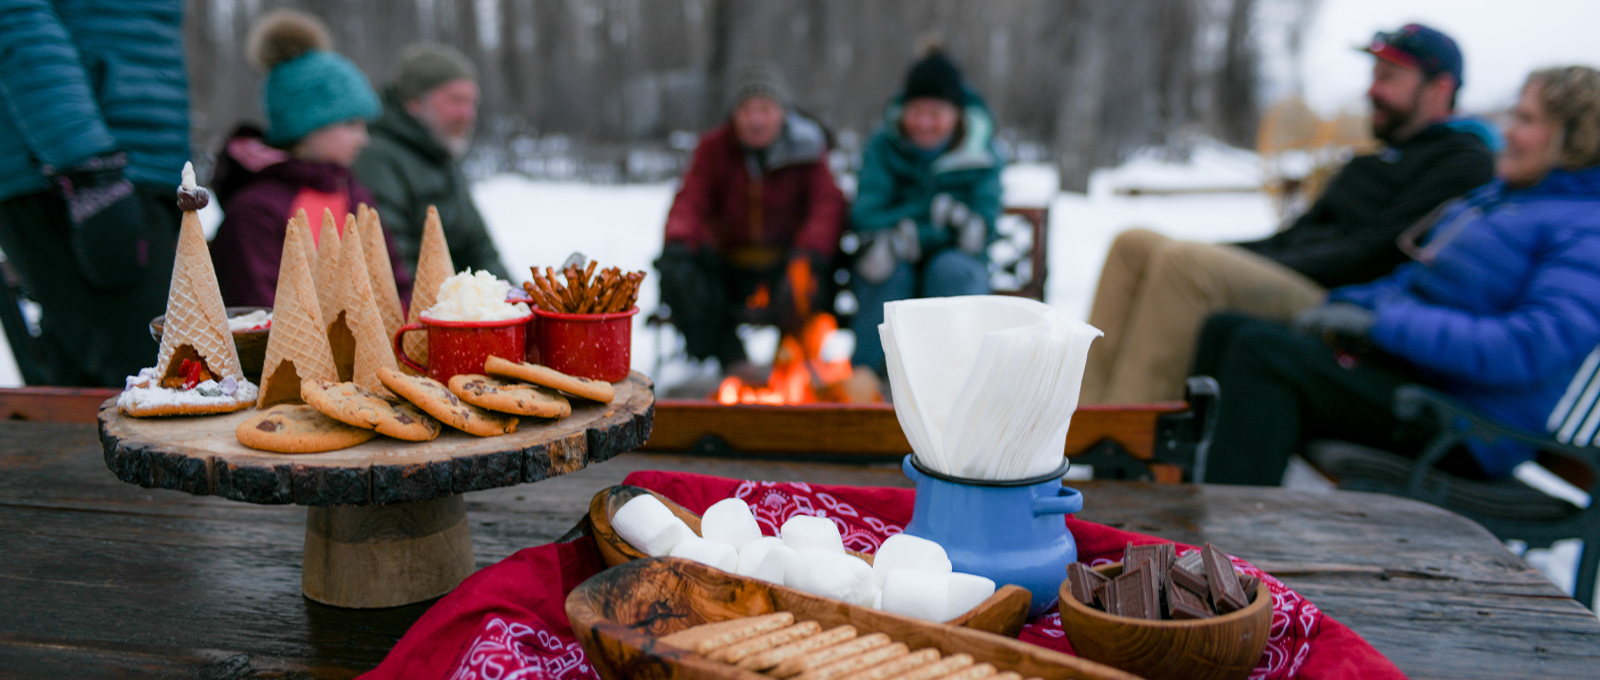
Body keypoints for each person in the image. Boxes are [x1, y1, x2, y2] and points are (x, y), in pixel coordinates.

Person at [1197, 66, 1600, 486]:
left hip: (1468, 428)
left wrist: (1381, 325)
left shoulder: (1586, 228)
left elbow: (1524, 348)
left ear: (1575, 137)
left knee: (1266, 355)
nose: (1509, 132)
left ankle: (1226, 534)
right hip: (1417, 384)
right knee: (1226, 328)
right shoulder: (1501, 201)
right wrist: (1347, 305)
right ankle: (1185, 489)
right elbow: (1416, 280)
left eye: (1527, 120)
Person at [1081, 24, 1496, 405]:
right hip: (1299, 274)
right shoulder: (1374, 159)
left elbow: (1375, 254)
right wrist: (1227, 254)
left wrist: (1229, 262)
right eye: (1374, 75)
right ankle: (1086, 420)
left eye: (1389, 78)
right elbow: (1293, 236)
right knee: (1137, 245)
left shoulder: (1463, 162)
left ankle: (1131, 446)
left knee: (1185, 265)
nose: (1373, 90)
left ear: (1439, 89)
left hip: (1343, 302)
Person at [0, 0, 188, 387]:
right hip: (73, 172)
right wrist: (86, 165)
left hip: (140, 168)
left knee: (96, 395)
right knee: (168, 383)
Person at [654, 63, 847, 378]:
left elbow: (827, 206)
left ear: (781, 113)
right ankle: (733, 362)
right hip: (729, 265)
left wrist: (809, 252)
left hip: (787, 262)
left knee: (807, 282)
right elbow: (690, 200)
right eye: (747, 110)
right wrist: (679, 240)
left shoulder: (808, 151)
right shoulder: (713, 149)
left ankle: (790, 367)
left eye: (765, 109)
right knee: (678, 274)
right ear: (734, 114)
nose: (756, 120)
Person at [210, 10, 412, 308]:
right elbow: (256, 316)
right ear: (307, 127)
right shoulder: (255, 212)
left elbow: (395, 288)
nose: (363, 138)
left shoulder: (354, 193)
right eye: (350, 124)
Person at [848, 49, 1003, 376]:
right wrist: (929, 217)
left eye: (936, 113)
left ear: (956, 114)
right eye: (916, 111)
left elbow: (981, 226)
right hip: (895, 254)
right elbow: (866, 213)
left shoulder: (982, 154)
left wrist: (917, 231)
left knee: (950, 271)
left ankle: (953, 378)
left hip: (956, 261)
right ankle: (870, 383)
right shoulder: (882, 146)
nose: (924, 123)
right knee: (886, 270)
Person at [352, 43, 508, 280]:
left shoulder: (441, 154)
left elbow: (480, 250)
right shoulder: (376, 158)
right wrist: (455, 310)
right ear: (414, 102)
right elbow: (390, 266)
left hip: (458, 307)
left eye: (471, 102)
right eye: (456, 101)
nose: (468, 114)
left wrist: (516, 301)